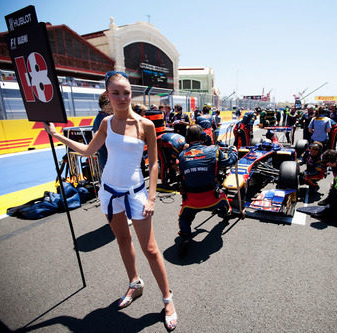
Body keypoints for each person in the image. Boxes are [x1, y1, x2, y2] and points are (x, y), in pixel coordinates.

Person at [43, 71, 177, 330]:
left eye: (126, 92)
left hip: (137, 193)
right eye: (115, 92)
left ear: (131, 93)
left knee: (150, 249)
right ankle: (134, 283)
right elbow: (88, 151)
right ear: (107, 95)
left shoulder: (145, 125)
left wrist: (151, 198)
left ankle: (168, 299)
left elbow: (154, 165)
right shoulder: (105, 124)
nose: (122, 97)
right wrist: (56, 135)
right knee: (123, 240)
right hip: (109, 192)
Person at [177, 125, 238, 257]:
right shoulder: (214, 150)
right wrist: (234, 150)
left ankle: (186, 236)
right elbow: (231, 161)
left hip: (190, 202)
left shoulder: (181, 156)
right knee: (224, 198)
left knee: (184, 219)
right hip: (213, 198)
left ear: (187, 139)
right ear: (203, 137)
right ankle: (226, 214)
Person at [92, 92, 113, 172]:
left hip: (106, 159)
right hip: (108, 159)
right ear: (107, 105)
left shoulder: (101, 117)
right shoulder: (104, 119)